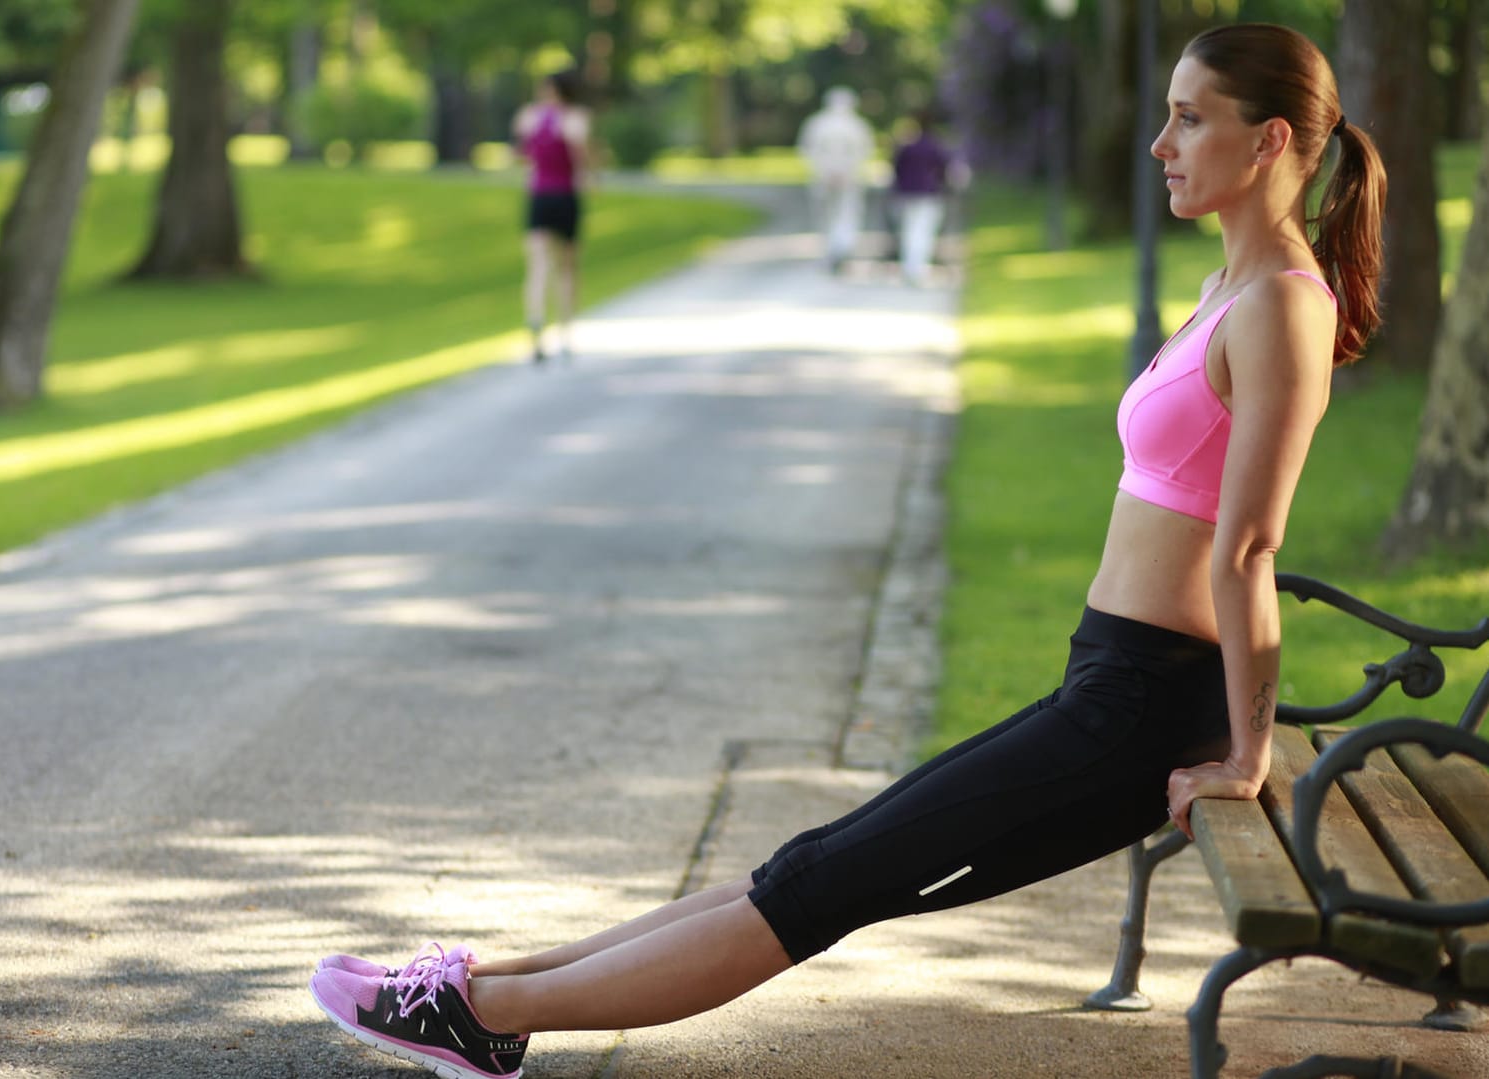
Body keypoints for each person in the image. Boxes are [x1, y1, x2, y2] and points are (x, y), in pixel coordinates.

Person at [309, 23, 1386, 1079]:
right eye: (1165, 115)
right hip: (1106, 681)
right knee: (806, 865)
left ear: (1270, 143)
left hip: (1144, 712)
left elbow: (1247, 548)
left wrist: (1245, 757)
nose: (1160, 143)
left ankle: (483, 1013)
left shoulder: (1283, 309)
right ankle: (477, 990)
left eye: (1189, 119)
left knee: (819, 885)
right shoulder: (1228, 291)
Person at [512, 69, 593, 364]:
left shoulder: (529, 118)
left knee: (538, 265)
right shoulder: (575, 119)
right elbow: (581, 160)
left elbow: (521, 154)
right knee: (567, 267)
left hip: (539, 197)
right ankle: (566, 333)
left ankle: (536, 322)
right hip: (565, 196)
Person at [796, 86, 875, 272]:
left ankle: (836, 249)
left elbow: (807, 150)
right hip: (842, 177)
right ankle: (839, 249)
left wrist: (824, 171)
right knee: (843, 213)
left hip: (833, 177)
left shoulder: (817, 123)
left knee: (830, 215)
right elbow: (864, 152)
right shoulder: (857, 125)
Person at [890, 109, 957, 286]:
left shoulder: (907, 146)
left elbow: (896, 168)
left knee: (909, 231)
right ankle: (917, 268)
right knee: (923, 232)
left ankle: (910, 267)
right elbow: (944, 170)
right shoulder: (935, 145)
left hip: (907, 194)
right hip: (928, 194)